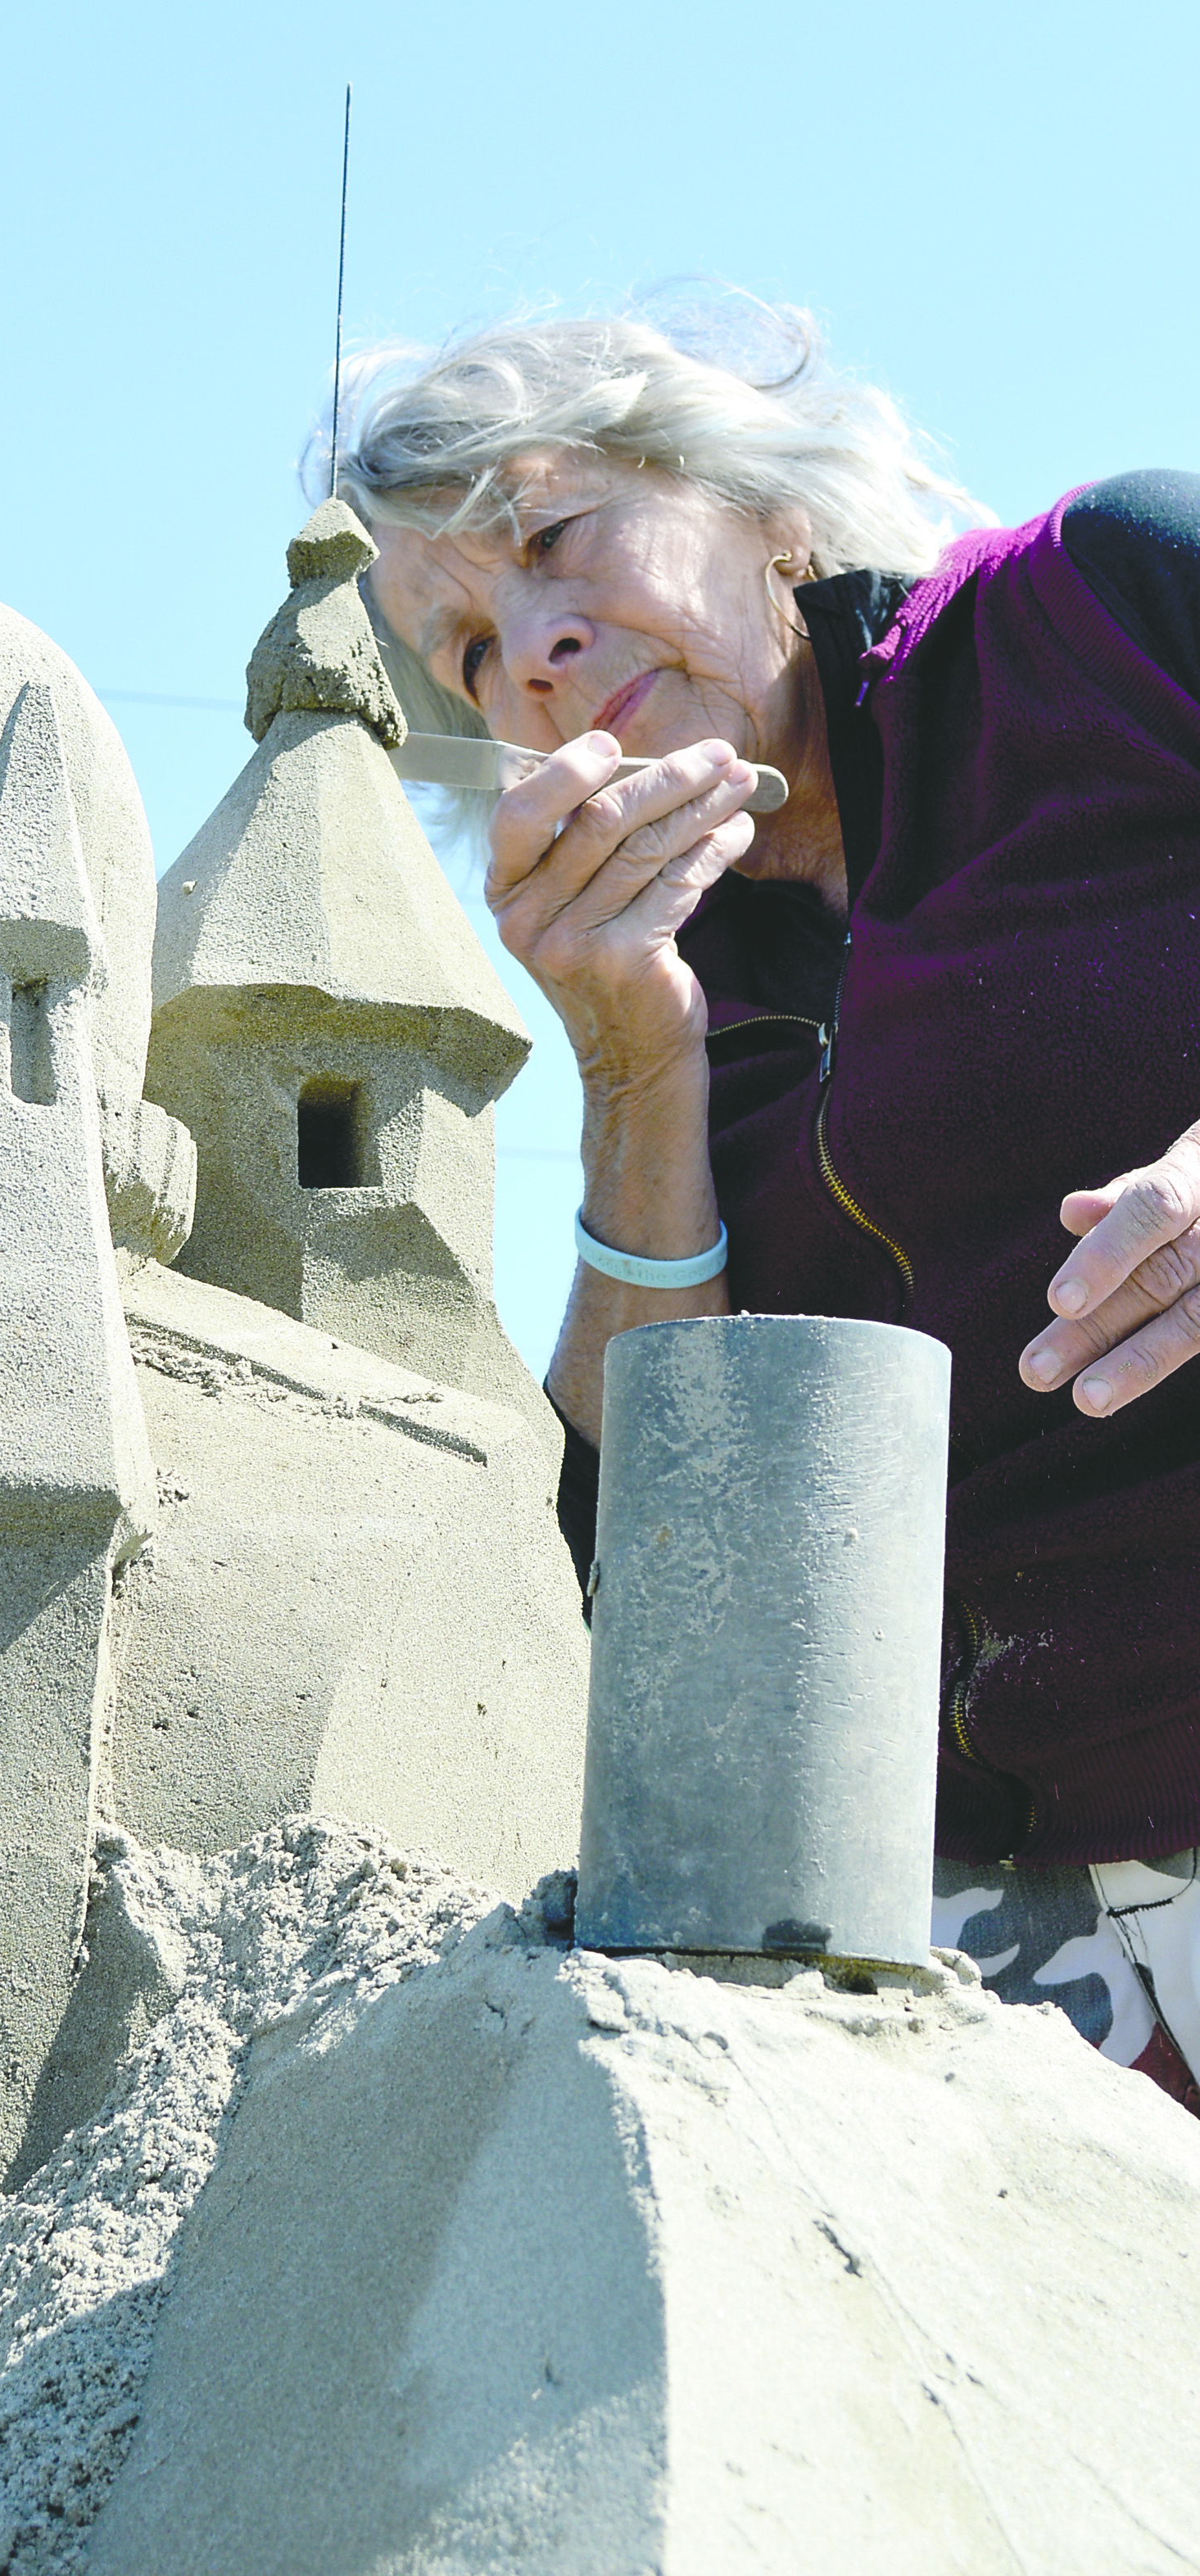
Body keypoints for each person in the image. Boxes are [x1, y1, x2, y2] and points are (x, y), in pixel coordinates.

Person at [328, 304, 1200, 2108]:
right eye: (472, 650)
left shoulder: (1108, 607)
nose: (540, 648)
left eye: (554, 538)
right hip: (981, 1933)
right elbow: (665, 1591)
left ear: (761, 509)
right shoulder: (661, 989)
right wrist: (634, 1079)